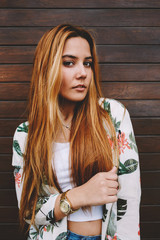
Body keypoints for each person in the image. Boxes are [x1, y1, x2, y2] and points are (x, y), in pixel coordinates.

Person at [12, 24, 141, 240]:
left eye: (87, 63)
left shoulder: (112, 115)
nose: (82, 73)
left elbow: (128, 200)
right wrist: (76, 197)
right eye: (69, 63)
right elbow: (28, 212)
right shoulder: (25, 135)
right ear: (48, 68)